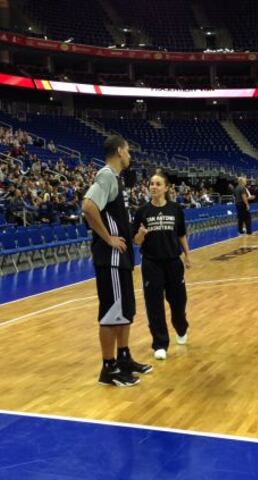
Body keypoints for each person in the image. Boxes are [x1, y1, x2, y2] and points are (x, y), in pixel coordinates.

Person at [82, 135, 152, 387]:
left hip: (120, 257)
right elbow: (88, 206)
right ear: (120, 151)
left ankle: (123, 358)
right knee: (111, 313)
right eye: (129, 151)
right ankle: (108, 368)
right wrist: (109, 239)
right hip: (110, 258)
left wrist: (133, 237)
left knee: (124, 311)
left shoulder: (115, 179)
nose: (130, 156)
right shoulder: (106, 175)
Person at [133, 170, 190, 360]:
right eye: (151, 184)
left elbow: (181, 234)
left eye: (158, 184)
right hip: (151, 263)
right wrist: (141, 234)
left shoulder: (175, 209)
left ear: (166, 188)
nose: (154, 187)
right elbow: (136, 241)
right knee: (154, 305)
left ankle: (181, 327)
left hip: (173, 262)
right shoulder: (142, 212)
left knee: (179, 302)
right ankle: (160, 343)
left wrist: (187, 255)